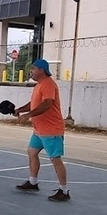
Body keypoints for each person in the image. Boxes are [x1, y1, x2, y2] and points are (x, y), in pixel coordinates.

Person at [14, 58, 69, 202]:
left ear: (41, 70)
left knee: (55, 159)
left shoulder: (48, 84)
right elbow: (34, 104)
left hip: (51, 130)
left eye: (33, 68)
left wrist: (29, 115)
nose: (31, 71)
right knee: (32, 152)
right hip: (39, 130)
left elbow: (47, 104)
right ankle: (33, 182)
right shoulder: (39, 85)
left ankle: (64, 191)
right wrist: (19, 110)